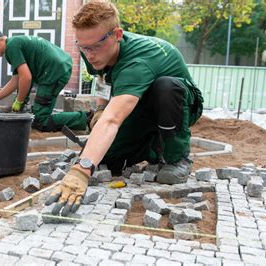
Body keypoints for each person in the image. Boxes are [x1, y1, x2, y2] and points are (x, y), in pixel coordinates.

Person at [46, 0, 203, 216]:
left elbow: (113, 120)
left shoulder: (138, 61)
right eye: (83, 46)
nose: (89, 54)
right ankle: (153, 146)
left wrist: (81, 170)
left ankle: (177, 158)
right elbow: (102, 77)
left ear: (117, 35)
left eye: (94, 47)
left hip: (179, 104)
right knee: (108, 160)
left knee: (164, 87)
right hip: (139, 105)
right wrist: (100, 109)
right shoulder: (92, 47)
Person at [0, 29, 88, 132]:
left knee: (40, 121)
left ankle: (87, 119)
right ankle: (26, 108)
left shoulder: (11, 47)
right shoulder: (15, 43)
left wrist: (19, 101)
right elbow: (15, 81)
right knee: (25, 97)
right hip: (57, 67)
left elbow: (27, 77)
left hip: (53, 71)